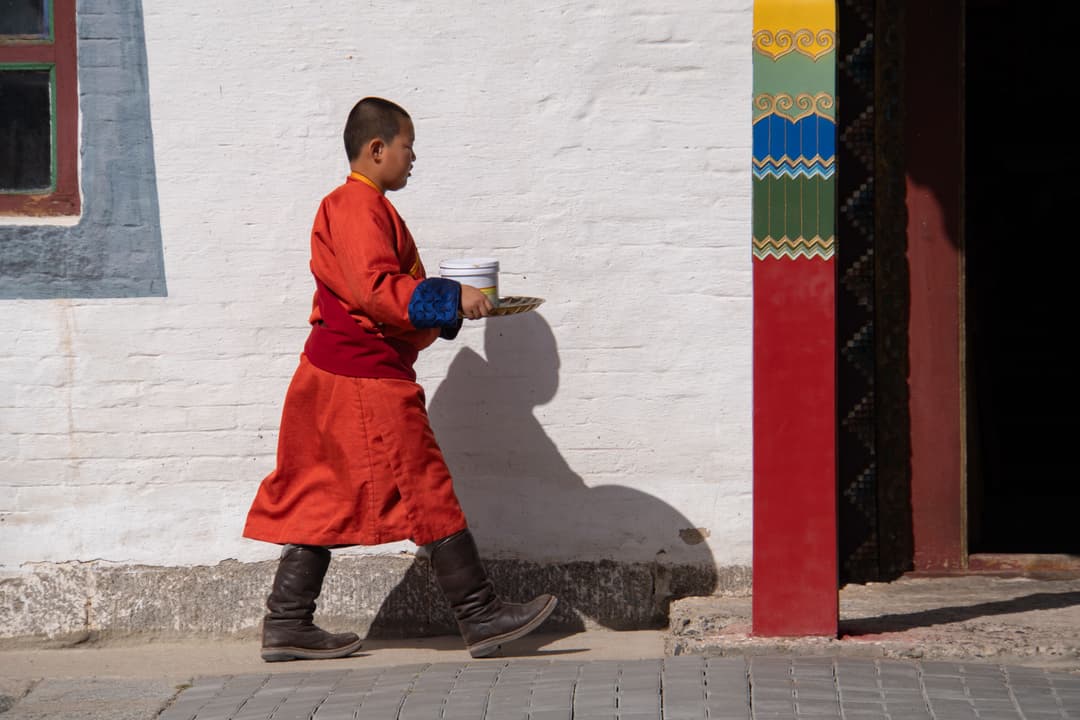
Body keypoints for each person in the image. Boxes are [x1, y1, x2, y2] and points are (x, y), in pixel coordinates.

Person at [242, 96, 557, 662]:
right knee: (425, 486)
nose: (413, 158)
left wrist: (450, 306)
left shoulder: (357, 206)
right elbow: (374, 290)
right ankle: (481, 615)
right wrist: (449, 297)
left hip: (330, 376)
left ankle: (287, 622)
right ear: (377, 148)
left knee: (321, 491)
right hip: (365, 380)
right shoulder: (356, 205)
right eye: (408, 147)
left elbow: (378, 296)